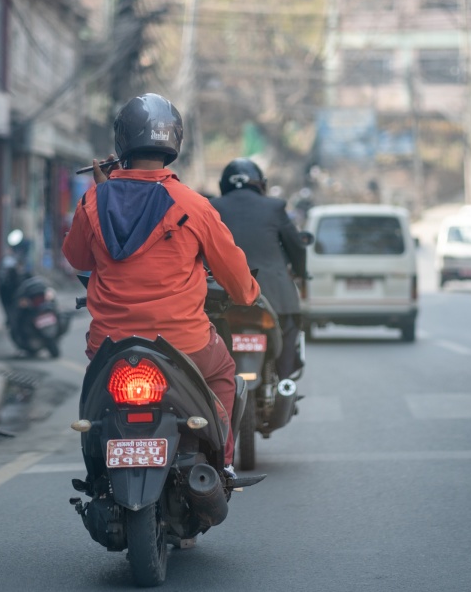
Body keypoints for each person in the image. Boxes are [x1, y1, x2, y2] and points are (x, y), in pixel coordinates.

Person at [61, 94, 260, 475]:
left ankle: (98, 459)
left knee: (97, 403)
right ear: (174, 143)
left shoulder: (92, 201)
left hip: (110, 345)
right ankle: (224, 465)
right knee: (222, 375)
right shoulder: (193, 205)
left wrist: (105, 193)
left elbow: (78, 260)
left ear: (122, 144)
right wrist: (248, 293)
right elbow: (236, 277)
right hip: (185, 344)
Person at [211, 158, 308, 380]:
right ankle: (284, 382)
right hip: (274, 294)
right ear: (260, 184)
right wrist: (301, 273)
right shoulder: (274, 207)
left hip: (222, 295)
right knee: (290, 328)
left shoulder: (212, 207)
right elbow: (296, 247)